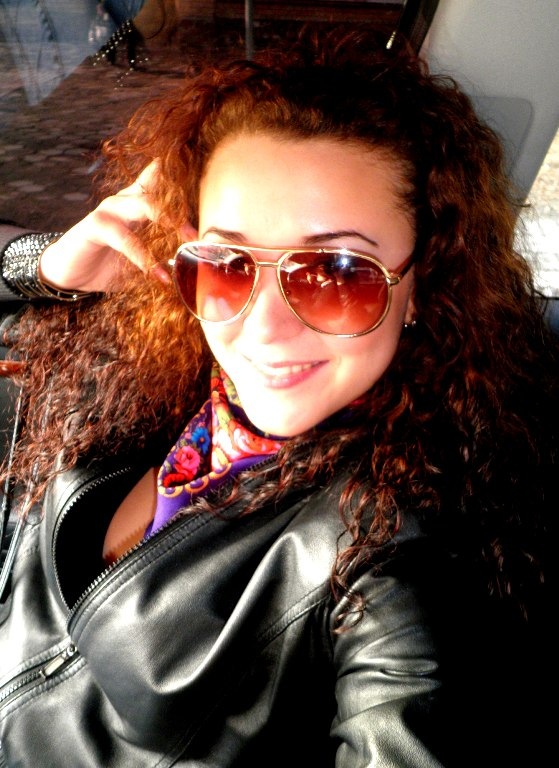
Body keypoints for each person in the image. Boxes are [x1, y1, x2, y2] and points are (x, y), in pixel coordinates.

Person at [0, 26, 556, 767]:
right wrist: (45, 271)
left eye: (336, 274)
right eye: (227, 260)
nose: (260, 326)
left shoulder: (387, 557)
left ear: (421, 284)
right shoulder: (152, 370)